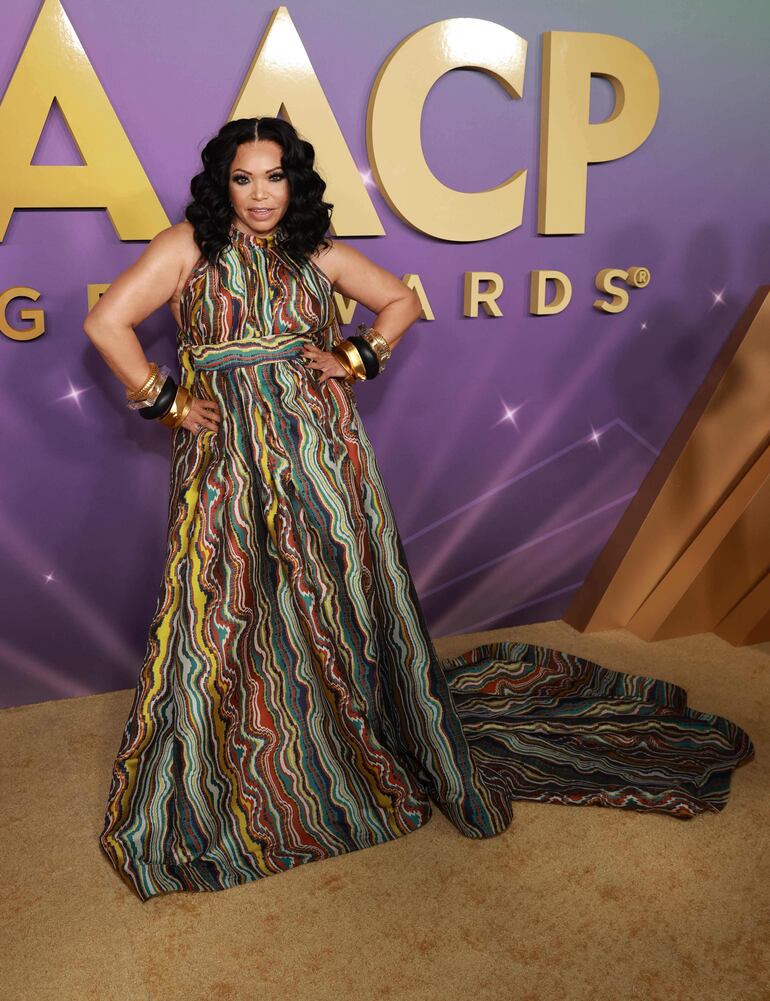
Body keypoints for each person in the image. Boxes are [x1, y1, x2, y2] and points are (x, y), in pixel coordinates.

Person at [84, 117, 755, 902]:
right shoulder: (185, 247)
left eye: (275, 176)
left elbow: (398, 302)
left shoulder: (316, 247)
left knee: (336, 583)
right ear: (221, 183)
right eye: (245, 178)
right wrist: (166, 401)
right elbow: (107, 322)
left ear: (294, 181)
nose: (261, 194)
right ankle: (244, 745)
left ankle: (348, 725)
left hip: (323, 449)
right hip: (226, 452)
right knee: (225, 595)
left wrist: (354, 358)